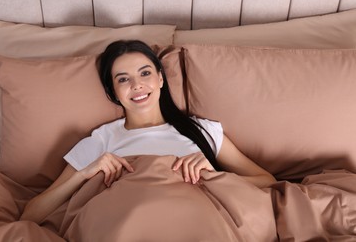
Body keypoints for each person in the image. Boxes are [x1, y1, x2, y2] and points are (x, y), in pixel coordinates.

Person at [20, 40, 276, 224]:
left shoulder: (203, 131)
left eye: (144, 73)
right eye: (123, 79)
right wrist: (84, 175)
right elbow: (32, 213)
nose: (137, 85)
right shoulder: (102, 140)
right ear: (113, 93)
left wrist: (217, 175)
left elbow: (267, 181)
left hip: (196, 221)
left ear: (161, 79)